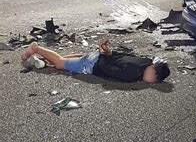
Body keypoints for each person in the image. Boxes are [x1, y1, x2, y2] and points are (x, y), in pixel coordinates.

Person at [20, 39, 170, 83]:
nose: (151, 80)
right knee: (60, 63)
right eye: (154, 77)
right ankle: (36, 48)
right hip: (92, 64)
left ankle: (42, 60)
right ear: (153, 70)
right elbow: (106, 69)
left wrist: (106, 52)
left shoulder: (145, 60)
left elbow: (121, 55)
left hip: (96, 56)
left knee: (66, 61)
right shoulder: (131, 75)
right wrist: (103, 54)